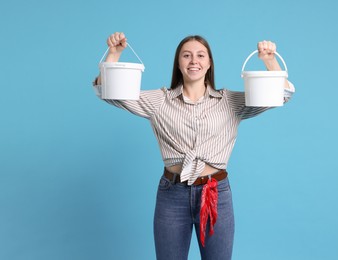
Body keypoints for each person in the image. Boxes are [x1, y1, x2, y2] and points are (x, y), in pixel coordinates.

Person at [93, 32, 295, 260]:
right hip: (172, 195)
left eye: (200, 55)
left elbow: (282, 94)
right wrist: (114, 54)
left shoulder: (230, 102)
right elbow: (109, 93)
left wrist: (269, 60)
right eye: (186, 56)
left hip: (215, 193)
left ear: (209, 63)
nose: (193, 61)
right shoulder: (160, 100)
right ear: (178, 63)